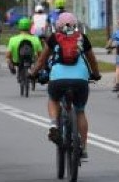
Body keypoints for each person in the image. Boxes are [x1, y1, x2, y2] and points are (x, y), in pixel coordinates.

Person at [29, 12, 101, 159]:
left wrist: (33, 73)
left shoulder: (54, 38)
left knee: (53, 99)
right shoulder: (81, 38)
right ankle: (83, 147)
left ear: (58, 26)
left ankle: (54, 125)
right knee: (80, 111)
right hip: (80, 80)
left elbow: (42, 60)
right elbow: (92, 59)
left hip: (58, 79)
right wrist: (96, 74)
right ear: (75, 25)